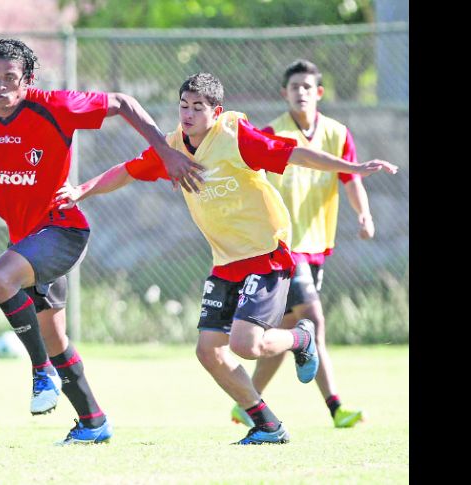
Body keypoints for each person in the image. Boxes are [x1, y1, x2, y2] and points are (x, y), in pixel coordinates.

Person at [55, 72, 397, 445]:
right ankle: (267, 424)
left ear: (216, 112)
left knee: (245, 345)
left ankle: (301, 338)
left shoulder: (236, 138)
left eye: (198, 108)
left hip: (267, 255)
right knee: (208, 352)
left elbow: (294, 153)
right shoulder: (173, 148)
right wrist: (82, 190)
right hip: (225, 263)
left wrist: (353, 168)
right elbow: (127, 171)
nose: (187, 114)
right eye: (183, 106)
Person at [0, 38, 204, 445]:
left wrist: (166, 151)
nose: (1, 86)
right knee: (55, 338)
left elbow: (122, 102)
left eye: (11, 78)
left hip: (63, 230)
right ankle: (93, 422)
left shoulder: (52, 106)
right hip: (28, 240)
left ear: (27, 80)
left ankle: (39, 371)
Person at [229, 59, 372, 430]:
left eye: (308, 87)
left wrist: (364, 214)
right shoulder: (271, 132)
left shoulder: (337, 133)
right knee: (313, 322)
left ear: (319, 93)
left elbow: (350, 178)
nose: (301, 92)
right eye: (295, 87)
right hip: (284, 247)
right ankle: (336, 408)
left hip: (317, 244)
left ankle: (247, 403)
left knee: (288, 332)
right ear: (284, 93)